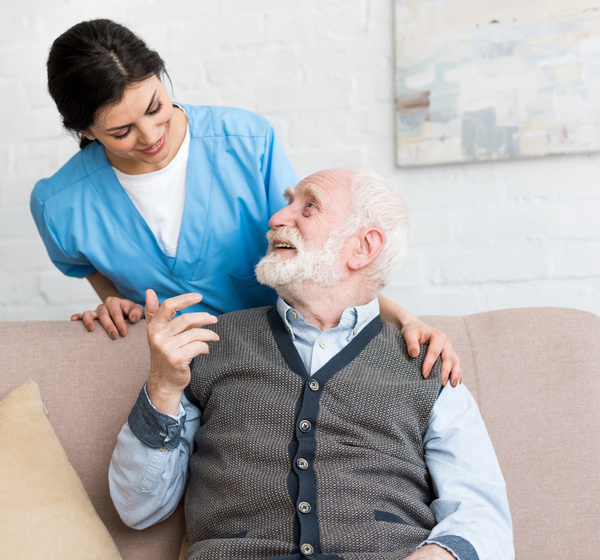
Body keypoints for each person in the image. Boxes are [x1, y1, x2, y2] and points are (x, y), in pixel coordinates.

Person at [109, 166, 513, 560]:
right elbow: (137, 509)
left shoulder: (430, 367)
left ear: (362, 247)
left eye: (308, 207)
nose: (277, 218)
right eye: (289, 203)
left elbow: (483, 516)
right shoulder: (210, 343)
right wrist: (162, 388)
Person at [30, 18, 461, 386]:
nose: (150, 136)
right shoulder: (59, 204)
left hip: (282, 364)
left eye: (155, 106)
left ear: (160, 75)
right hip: (182, 379)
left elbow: (316, 256)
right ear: (85, 131)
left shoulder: (247, 143)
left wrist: (405, 318)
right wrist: (115, 300)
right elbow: (86, 264)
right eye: (121, 132)